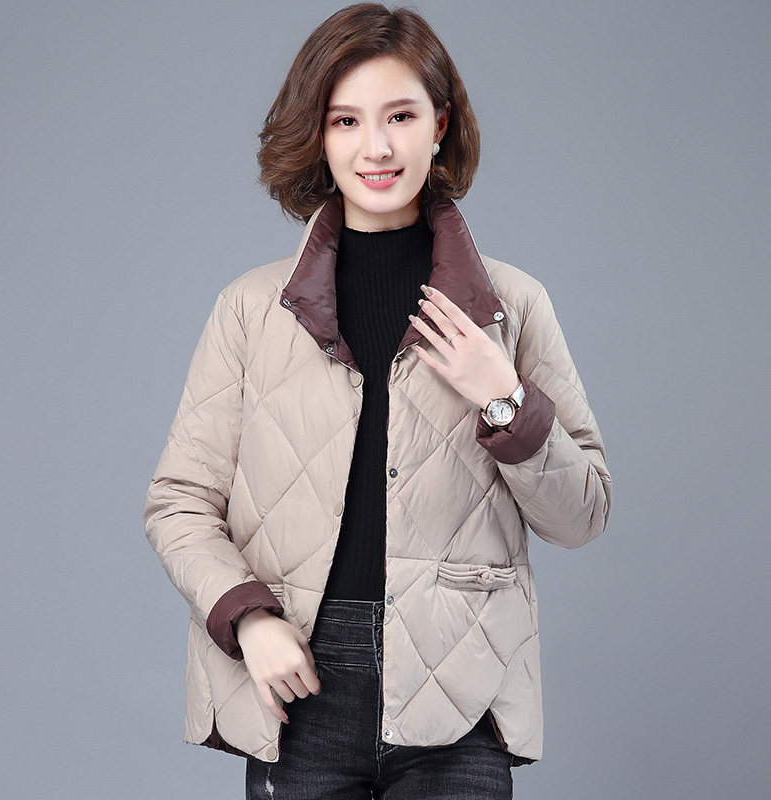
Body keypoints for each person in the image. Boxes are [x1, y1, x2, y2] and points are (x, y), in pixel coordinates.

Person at [143, 3, 613, 798]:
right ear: (319, 136)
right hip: (299, 685)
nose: (377, 147)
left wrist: (504, 397)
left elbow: (583, 514)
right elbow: (178, 502)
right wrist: (248, 619)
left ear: (440, 125)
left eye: (401, 115)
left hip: (461, 690)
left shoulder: (512, 307)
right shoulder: (251, 309)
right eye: (346, 121)